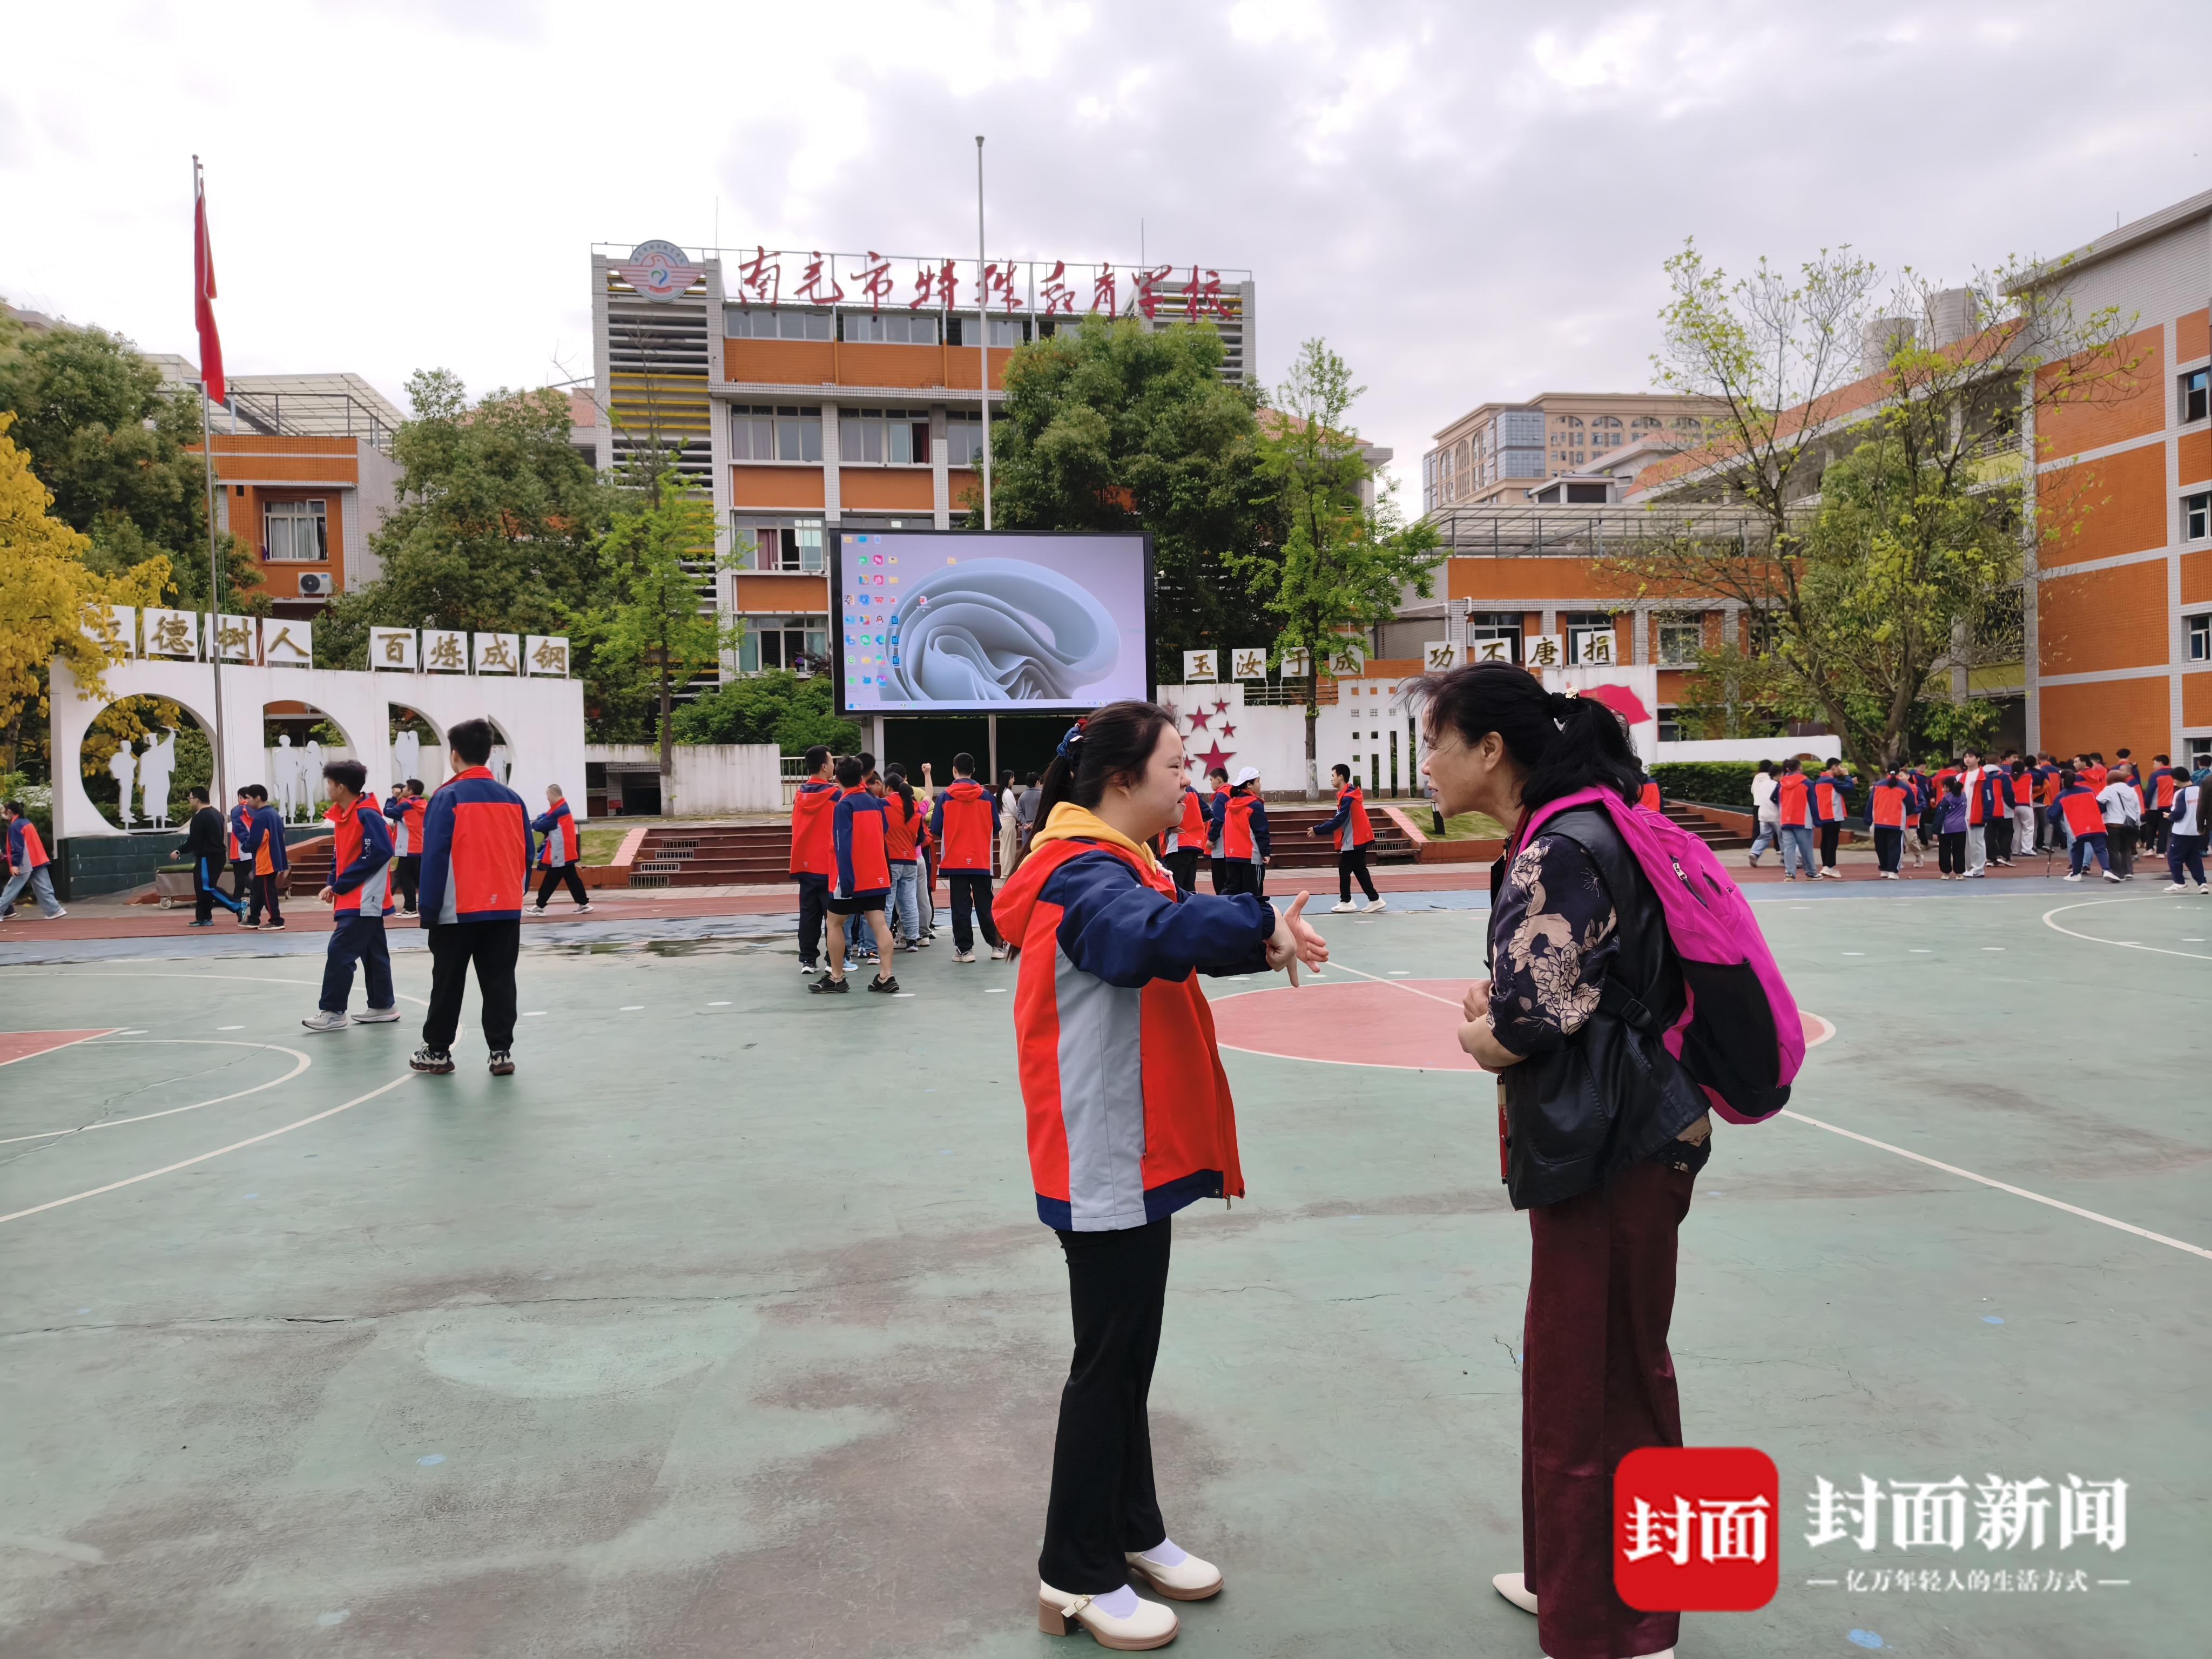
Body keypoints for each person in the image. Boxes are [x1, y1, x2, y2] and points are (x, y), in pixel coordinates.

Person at [994, 703, 1327, 1651]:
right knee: (1109, 1364)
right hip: (1104, 1152)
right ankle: (1074, 1570)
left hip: (1127, 1147)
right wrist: (1258, 921)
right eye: (1176, 765)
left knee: (1126, 1357)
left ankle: (1132, 1530)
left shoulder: (1113, 863)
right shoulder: (1082, 875)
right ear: (1121, 780)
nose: (1190, 780)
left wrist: (1259, 939)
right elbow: (1140, 936)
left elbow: (1163, 929)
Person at [1414, 663, 1714, 1659]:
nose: (1426, 764)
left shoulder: (1559, 845)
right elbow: (1566, 986)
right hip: (1620, 1130)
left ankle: (1625, 1623)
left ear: (1490, 749)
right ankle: (1568, 1580)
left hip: (1614, 1141)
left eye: (1436, 743)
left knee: (1600, 1376)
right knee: (1577, 1363)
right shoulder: (1582, 825)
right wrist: (1505, 1007)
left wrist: (1482, 1034)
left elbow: (1532, 1021)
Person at [413, 718, 534, 1075]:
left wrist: (428, 910)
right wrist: (514, 893)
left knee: (448, 983)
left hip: (457, 910)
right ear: (490, 753)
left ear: (454, 755)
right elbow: (527, 853)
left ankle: (438, 1052)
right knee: (500, 981)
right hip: (505, 909)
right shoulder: (513, 799)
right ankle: (501, 1052)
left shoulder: (446, 797)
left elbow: (434, 857)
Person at [301, 759, 400, 1033]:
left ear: (341, 787)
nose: (328, 789)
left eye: (330, 784)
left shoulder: (367, 815)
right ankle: (383, 1005)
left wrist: (341, 885)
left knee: (340, 951)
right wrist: (333, 883)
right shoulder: (346, 815)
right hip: (357, 899)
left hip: (364, 899)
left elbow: (380, 852)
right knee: (373, 952)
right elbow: (342, 855)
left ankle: (333, 1011)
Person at [814, 756, 900, 994]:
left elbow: (842, 844)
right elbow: (884, 830)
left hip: (851, 875)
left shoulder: (844, 805)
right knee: (879, 923)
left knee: (834, 923)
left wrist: (846, 880)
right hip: (877, 874)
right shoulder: (874, 801)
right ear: (862, 776)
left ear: (837, 779)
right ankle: (886, 976)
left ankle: (837, 977)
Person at [930, 752, 1008, 963]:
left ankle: (965, 951)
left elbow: (935, 828)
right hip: (981, 859)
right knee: (986, 903)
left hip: (955, 860)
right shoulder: (987, 796)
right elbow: (996, 827)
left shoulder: (945, 796)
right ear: (974, 771)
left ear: (954, 770)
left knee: (960, 906)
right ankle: (997, 946)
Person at [789, 745, 838, 975]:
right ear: (824, 766)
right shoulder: (835, 795)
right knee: (833, 917)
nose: (834, 765)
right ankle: (833, 959)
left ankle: (808, 960)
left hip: (805, 863)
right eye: (832, 761)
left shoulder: (799, 794)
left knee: (808, 914)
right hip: (828, 863)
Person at [1312, 761, 1385, 913]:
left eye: (1333, 776)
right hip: (1357, 838)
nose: (1331, 779)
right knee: (1359, 870)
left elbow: (1338, 821)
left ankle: (1347, 901)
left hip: (1355, 839)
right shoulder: (1347, 795)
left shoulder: (1348, 798)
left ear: (1341, 777)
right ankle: (1375, 899)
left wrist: (1317, 830)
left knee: (1345, 869)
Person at [172, 785, 241, 926]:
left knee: (206, 887)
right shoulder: (217, 814)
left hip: (208, 857)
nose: (190, 800)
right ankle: (204, 917)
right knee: (202, 888)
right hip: (217, 856)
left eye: (190, 798)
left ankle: (237, 906)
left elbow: (193, 840)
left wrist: (179, 851)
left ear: (197, 799)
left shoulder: (200, 817)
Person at [881, 766, 927, 952]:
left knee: (887, 903)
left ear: (888, 788)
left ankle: (883, 940)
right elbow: (920, 837)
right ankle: (912, 940)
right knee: (909, 901)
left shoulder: (883, 805)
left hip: (890, 860)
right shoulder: (914, 807)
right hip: (910, 860)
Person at [530, 784, 594, 914]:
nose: (547, 798)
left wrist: (534, 823)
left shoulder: (558, 812)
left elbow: (540, 825)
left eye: (548, 796)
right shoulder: (561, 808)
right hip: (566, 852)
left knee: (551, 880)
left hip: (561, 853)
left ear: (553, 795)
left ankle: (540, 906)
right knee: (572, 879)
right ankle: (584, 904)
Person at [0, 800, 66, 921]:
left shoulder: (15, 826)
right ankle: (54, 910)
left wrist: (14, 864)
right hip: (38, 859)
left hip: (25, 861)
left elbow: (17, 847)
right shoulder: (26, 822)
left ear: (9, 811)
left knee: (12, 887)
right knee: (44, 886)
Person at [1210, 766, 1269, 898]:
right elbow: (1261, 831)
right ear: (1249, 785)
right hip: (1250, 856)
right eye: (1258, 781)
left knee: (1231, 891)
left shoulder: (1230, 804)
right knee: (1254, 894)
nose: (1260, 784)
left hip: (1232, 856)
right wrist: (1265, 852)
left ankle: (1222, 907)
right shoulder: (1255, 805)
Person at [2051, 770, 2119, 883]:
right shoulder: (2089, 790)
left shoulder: (2062, 795)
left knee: (2077, 849)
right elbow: (2099, 805)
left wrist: (2058, 828)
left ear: (2062, 781)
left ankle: (2076, 873)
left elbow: (2053, 815)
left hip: (2077, 827)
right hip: (2095, 824)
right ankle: (2107, 870)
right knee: (2100, 849)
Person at [241, 785, 290, 930]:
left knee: (268, 891)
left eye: (248, 798)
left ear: (258, 798)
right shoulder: (274, 814)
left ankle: (276, 920)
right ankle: (254, 918)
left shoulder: (261, 817)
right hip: (274, 857)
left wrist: (245, 847)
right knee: (258, 889)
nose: (247, 802)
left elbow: (255, 840)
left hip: (266, 860)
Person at [384, 778, 428, 915]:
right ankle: (426, 907)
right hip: (422, 848)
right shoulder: (424, 804)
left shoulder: (406, 805)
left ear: (411, 791)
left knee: (405, 879)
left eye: (405, 788)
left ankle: (410, 909)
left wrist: (394, 797)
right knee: (420, 880)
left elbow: (388, 811)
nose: (403, 790)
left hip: (408, 849)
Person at [1161, 771, 1209, 894]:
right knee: (1189, 886)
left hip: (1178, 843)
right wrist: (1194, 823)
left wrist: (1171, 826)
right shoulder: (1192, 791)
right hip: (1195, 843)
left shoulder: (1171, 790)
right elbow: (1208, 813)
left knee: (1175, 886)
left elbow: (1162, 810)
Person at [2163, 772, 2207, 893]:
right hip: (2197, 831)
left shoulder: (2181, 793)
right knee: (2194, 858)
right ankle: (2202, 883)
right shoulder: (2201, 790)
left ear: (2176, 780)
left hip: (2182, 831)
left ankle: (2179, 882)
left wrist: (2170, 816)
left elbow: (2179, 813)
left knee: (2174, 857)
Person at [2096, 766, 2140, 878]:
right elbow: (2137, 808)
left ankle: (2118, 872)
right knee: (2126, 848)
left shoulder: (2109, 789)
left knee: (2113, 849)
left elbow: (2099, 801)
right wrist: (2138, 822)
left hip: (2113, 823)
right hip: (2129, 824)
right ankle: (2128, 872)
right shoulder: (2131, 790)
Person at [1775, 758, 1815, 881]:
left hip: (1786, 819)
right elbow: (1813, 803)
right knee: (1806, 848)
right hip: (1803, 819)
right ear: (1800, 768)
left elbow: (1777, 800)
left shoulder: (1781, 784)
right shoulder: (1807, 782)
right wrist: (1817, 820)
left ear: (1787, 769)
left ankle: (1790, 874)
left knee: (1789, 848)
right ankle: (1811, 873)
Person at [1868, 766, 1910, 880]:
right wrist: (1908, 813)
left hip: (1879, 820)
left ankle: (1884, 869)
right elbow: (1911, 804)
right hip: (1896, 821)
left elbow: (1871, 803)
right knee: (1895, 846)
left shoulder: (1878, 786)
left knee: (1881, 846)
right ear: (1899, 771)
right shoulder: (1904, 787)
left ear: (1887, 771)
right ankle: (1893, 871)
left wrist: (1868, 818)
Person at [1813, 761, 1851, 879]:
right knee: (1832, 841)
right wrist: (1847, 776)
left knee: (1825, 840)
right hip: (1833, 814)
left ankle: (1826, 865)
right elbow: (1848, 788)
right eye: (1839, 766)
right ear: (1834, 767)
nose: (1841, 769)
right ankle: (1829, 866)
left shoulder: (1820, 780)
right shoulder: (1831, 781)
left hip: (1824, 814)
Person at [1959, 749, 1990, 877]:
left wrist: (1986, 814)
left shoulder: (1984, 776)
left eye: (1971, 756)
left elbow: (1989, 797)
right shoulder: (1962, 777)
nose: (1967, 759)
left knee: (1977, 842)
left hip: (1977, 814)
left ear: (1978, 759)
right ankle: (1969, 868)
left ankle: (1978, 869)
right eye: (1965, 757)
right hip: (1963, 815)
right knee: (1966, 844)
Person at [1203, 765, 1231, 894]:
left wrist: (1212, 839)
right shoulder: (1234, 792)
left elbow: (1218, 819)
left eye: (1211, 780)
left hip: (1221, 847)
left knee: (1220, 882)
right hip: (1233, 846)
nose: (1211, 783)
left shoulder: (1220, 796)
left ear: (1218, 779)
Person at [1746, 760, 1778, 867]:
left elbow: (1752, 790)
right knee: (1780, 833)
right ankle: (1781, 851)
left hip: (1757, 806)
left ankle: (1754, 851)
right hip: (1770, 807)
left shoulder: (1757, 777)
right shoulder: (1771, 779)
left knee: (1759, 830)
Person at [1935, 775, 1968, 878]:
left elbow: (1940, 815)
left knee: (1945, 850)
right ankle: (1960, 873)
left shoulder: (1946, 799)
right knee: (1959, 850)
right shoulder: (1964, 796)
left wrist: (1935, 830)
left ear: (1947, 787)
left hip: (1947, 827)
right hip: (1961, 827)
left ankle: (1946, 872)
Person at [2143, 754, 2176, 857]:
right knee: (2164, 830)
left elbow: (2150, 791)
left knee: (2151, 828)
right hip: (2169, 806)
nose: (2154, 766)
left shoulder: (2155, 775)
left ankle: (2150, 849)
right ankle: (2161, 852)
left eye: (2155, 763)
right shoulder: (2174, 774)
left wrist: (2146, 804)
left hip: (2155, 806)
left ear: (2160, 763)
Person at [999, 769, 1023, 878]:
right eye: (1012, 777)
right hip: (1009, 821)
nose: (1014, 779)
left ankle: (1005, 871)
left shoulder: (999, 792)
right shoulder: (1008, 793)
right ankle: (1007, 872)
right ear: (1008, 779)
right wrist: (1020, 819)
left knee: (1004, 848)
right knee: (1009, 849)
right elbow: (1014, 809)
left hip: (1002, 821)